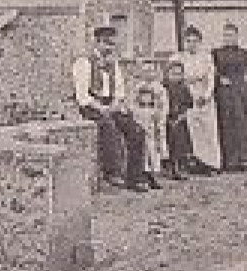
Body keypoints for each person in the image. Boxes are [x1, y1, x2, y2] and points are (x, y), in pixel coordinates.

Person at [71, 25, 147, 192]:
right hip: (91, 106)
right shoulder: (83, 62)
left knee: (137, 130)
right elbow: (82, 96)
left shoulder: (114, 65)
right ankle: (112, 172)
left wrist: (115, 105)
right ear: (96, 43)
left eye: (113, 44)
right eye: (106, 44)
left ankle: (135, 177)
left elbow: (119, 91)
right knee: (108, 126)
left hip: (110, 105)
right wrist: (101, 107)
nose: (110, 48)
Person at [169, 26, 220, 173]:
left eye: (195, 41)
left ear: (200, 42)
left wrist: (206, 95)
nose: (191, 44)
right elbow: (174, 78)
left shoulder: (206, 58)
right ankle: (193, 162)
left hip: (204, 97)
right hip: (187, 95)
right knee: (191, 129)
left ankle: (210, 163)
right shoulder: (178, 58)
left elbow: (211, 78)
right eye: (188, 41)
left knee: (208, 130)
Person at [213, 23, 247, 172]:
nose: (229, 38)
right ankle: (229, 161)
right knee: (226, 125)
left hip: (240, 94)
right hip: (224, 94)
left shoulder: (245, 54)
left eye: (231, 35)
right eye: (226, 35)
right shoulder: (216, 53)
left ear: (237, 36)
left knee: (243, 126)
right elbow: (211, 72)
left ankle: (245, 160)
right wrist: (219, 79)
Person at [129, 59, 168, 189]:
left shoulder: (160, 88)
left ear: (156, 72)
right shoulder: (137, 87)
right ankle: (143, 174)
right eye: (145, 71)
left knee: (154, 150)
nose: (148, 73)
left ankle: (154, 175)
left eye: (151, 70)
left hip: (154, 123)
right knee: (144, 150)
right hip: (141, 121)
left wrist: (160, 117)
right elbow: (131, 104)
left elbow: (164, 106)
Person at [162, 59, 196, 180]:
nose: (176, 77)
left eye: (179, 74)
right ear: (167, 74)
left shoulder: (184, 88)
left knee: (181, 137)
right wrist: (166, 118)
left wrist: (180, 117)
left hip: (179, 119)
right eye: (173, 74)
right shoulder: (163, 88)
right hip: (164, 119)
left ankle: (180, 165)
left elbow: (188, 105)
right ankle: (167, 165)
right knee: (168, 138)